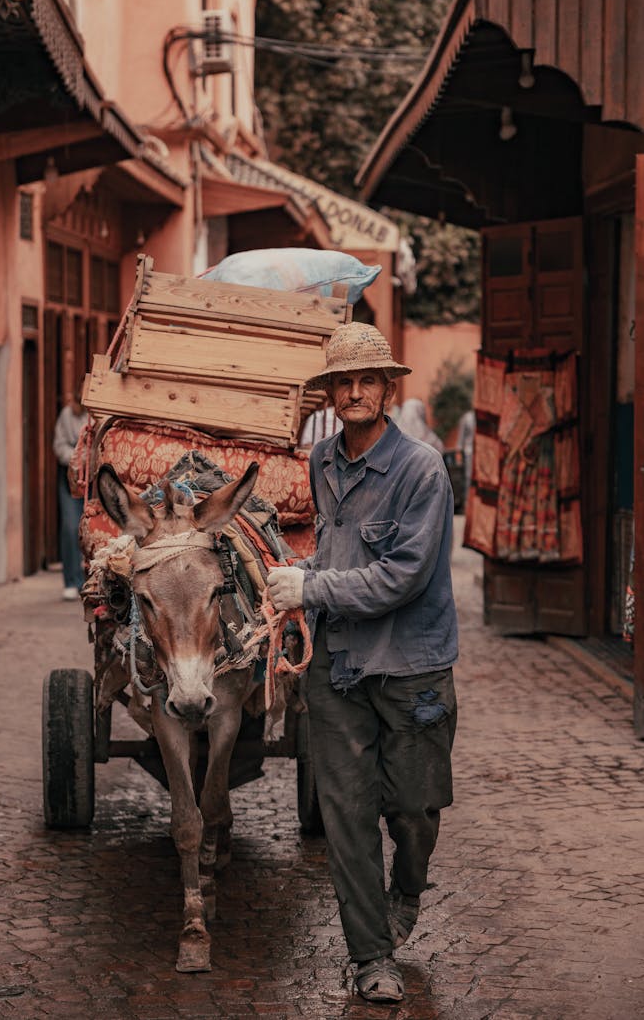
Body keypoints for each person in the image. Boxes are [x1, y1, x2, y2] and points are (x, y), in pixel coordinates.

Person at [266, 323, 458, 1004]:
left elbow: (401, 576)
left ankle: (407, 885)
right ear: (331, 392)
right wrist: (300, 574)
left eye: (366, 380)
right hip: (339, 664)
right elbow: (340, 552)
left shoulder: (421, 470)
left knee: (414, 810)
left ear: (388, 388)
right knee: (345, 812)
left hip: (411, 669)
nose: (353, 391)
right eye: (342, 381)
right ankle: (371, 954)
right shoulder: (322, 460)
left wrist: (312, 587)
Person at [52, 388, 87, 600]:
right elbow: (59, 445)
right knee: (70, 526)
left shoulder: (95, 415)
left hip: (92, 476)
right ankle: (71, 580)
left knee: (92, 527)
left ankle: (89, 578)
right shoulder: (66, 415)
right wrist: (76, 458)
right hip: (70, 476)